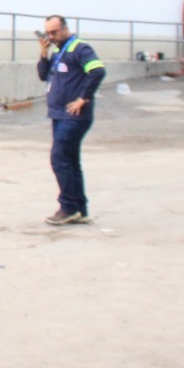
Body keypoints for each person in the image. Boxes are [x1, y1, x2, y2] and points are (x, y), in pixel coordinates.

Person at [36, 14, 106, 226]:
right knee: (70, 161)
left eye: (54, 32)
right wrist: (43, 53)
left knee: (59, 158)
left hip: (74, 116)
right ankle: (79, 208)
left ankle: (68, 206)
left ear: (65, 28)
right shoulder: (58, 52)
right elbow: (42, 75)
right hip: (58, 114)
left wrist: (83, 98)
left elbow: (97, 71)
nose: (51, 36)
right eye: (48, 32)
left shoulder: (79, 48)